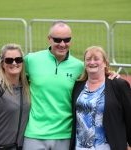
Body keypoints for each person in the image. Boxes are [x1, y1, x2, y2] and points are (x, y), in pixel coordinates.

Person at [22, 21, 119, 150]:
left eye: (66, 40)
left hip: (65, 136)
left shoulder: (79, 66)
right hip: (34, 134)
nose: (62, 44)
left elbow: (96, 77)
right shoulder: (31, 60)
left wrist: (110, 74)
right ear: (49, 39)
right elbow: (9, 72)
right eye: (57, 40)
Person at [69, 46, 131, 150]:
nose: (92, 62)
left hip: (108, 146)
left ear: (105, 63)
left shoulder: (118, 85)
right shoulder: (78, 85)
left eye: (96, 59)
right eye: (88, 59)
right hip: (80, 147)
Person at [0, 44, 30, 150]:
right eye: (9, 60)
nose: (14, 63)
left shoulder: (26, 85)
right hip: (0, 147)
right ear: (2, 63)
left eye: (18, 59)